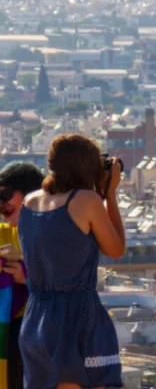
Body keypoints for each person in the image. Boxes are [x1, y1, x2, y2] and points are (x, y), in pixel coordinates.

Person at [17, 134, 126, 389]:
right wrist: (110, 194)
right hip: (77, 318)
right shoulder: (85, 201)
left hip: (36, 320)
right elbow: (116, 249)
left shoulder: (29, 202)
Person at [0, 162, 45, 389]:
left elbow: (64, 282)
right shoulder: (3, 234)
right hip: (8, 334)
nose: (2, 204)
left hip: (40, 334)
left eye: (6, 194)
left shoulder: (53, 235)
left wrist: (25, 275)